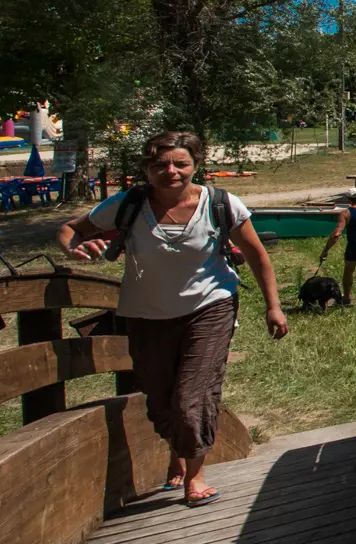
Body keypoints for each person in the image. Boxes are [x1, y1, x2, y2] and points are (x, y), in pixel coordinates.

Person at [56, 131, 288, 508]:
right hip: (145, 315)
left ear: (196, 165)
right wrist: (77, 245)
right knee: (161, 398)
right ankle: (177, 452)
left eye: (181, 163)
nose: (171, 171)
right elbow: (70, 229)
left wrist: (273, 306)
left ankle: (194, 477)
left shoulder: (221, 203)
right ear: (147, 169)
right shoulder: (127, 204)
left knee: (191, 396)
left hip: (210, 307)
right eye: (160, 165)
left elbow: (257, 255)